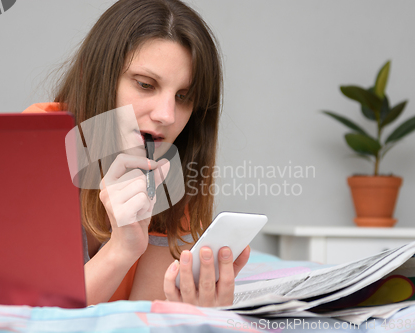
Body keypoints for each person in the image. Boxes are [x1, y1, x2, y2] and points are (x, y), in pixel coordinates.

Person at [23, 0, 250, 306]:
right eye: (145, 85)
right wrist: (121, 250)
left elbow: (143, 316)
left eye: (184, 97)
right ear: (97, 77)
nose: (167, 115)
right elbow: (36, 312)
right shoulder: (35, 143)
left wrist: (199, 313)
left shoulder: (170, 172)